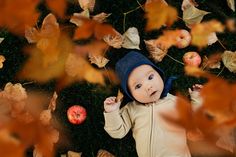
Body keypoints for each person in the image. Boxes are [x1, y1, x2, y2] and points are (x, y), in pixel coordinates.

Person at [103, 51, 202, 157]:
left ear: (159, 74)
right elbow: (117, 132)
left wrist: (197, 99)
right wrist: (112, 111)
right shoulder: (131, 109)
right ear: (131, 94)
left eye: (150, 77)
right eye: (138, 86)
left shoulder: (176, 102)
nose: (148, 86)